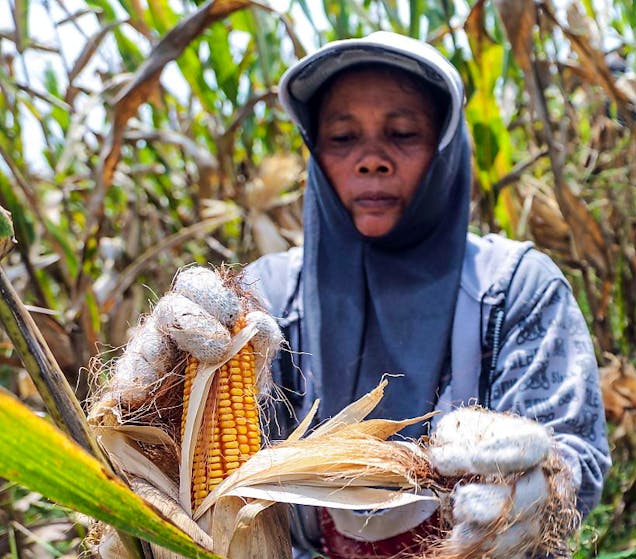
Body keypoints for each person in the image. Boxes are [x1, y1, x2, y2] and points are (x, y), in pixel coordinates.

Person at [121, 31, 610, 558]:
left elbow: (574, 454)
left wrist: (543, 486)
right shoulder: (269, 298)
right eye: (342, 138)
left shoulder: (515, 288)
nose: (371, 159)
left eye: (402, 134)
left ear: (445, 148)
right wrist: (156, 402)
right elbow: (206, 485)